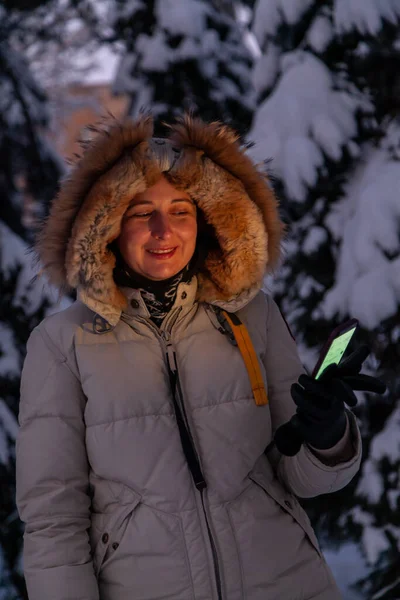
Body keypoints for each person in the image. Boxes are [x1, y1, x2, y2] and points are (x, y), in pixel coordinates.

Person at [16, 115, 385, 600]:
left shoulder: (253, 315)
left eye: (181, 211)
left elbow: (301, 478)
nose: (163, 230)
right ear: (106, 226)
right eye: (141, 212)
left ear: (208, 218)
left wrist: (326, 437)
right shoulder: (62, 343)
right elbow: (53, 519)